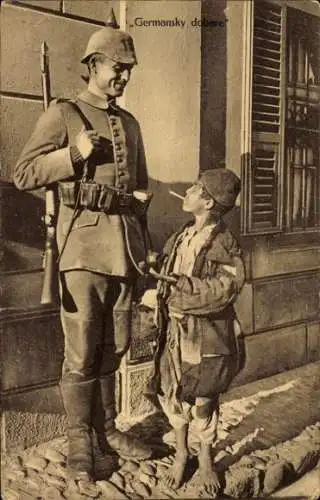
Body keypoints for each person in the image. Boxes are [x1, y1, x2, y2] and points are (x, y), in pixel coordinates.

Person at [14, 11, 152, 481]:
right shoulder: (64, 113)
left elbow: (141, 188)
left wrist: (143, 231)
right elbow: (24, 174)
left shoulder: (130, 123)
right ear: (92, 65)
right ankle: (79, 441)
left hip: (124, 248)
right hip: (81, 250)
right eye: (117, 67)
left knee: (116, 345)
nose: (123, 76)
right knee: (82, 349)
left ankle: (108, 429)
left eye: (128, 69)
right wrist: (74, 155)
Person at [145, 168, 245, 496]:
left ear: (208, 201)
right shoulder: (184, 233)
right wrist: (156, 267)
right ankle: (180, 455)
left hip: (205, 335)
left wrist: (178, 289)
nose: (186, 192)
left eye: (194, 189)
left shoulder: (224, 242)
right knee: (172, 391)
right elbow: (168, 268)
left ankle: (204, 460)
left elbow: (224, 287)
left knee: (203, 397)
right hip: (173, 329)